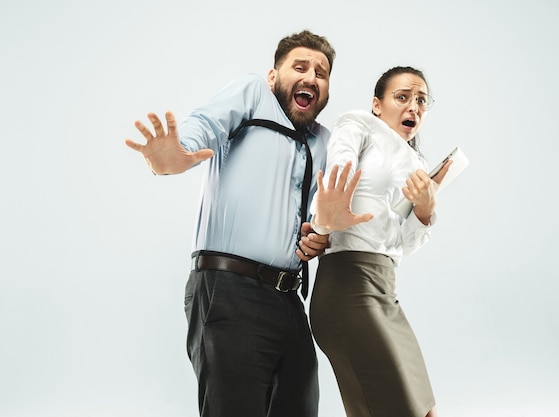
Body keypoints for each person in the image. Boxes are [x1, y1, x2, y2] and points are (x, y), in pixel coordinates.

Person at [124, 30, 336, 417]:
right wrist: (176, 154)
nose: (311, 77)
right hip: (230, 290)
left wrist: (317, 237)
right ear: (274, 77)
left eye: (321, 73)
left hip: (290, 301)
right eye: (300, 67)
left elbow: (316, 216)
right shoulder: (254, 94)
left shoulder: (322, 141)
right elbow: (204, 124)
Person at [309, 66, 452, 417]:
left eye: (421, 100)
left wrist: (425, 210)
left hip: (386, 291)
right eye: (402, 97)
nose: (413, 107)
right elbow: (336, 172)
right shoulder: (359, 124)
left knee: (426, 411)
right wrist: (329, 213)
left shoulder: (419, 165)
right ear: (377, 104)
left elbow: (400, 245)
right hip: (348, 290)